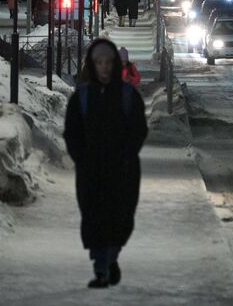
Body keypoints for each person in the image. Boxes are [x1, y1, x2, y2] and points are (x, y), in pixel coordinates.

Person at [64, 39, 148, 289]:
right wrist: (81, 158)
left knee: (121, 218)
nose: (104, 68)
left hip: (122, 170)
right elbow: (72, 131)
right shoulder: (82, 97)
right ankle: (101, 267)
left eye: (109, 62)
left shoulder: (127, 95)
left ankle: (111, 257)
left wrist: (126, 156)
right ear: (92, 64)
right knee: (94, 217)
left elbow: (138, 130)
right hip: (91, 171)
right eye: (99, 62)